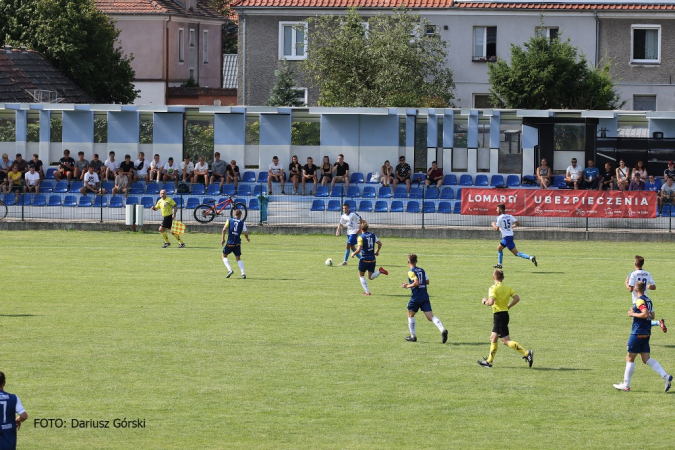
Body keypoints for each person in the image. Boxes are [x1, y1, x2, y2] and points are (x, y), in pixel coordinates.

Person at [613, 281, 672, 392]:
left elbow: (645, 314)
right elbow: (652, 315)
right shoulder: (648, 300)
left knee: (630, 358)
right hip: (646, 333)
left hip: (637, 332)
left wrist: (632, 314)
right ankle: (666, 376)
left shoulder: (639, 300)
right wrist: (636, 311)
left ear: (636, 290)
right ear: (645, 289)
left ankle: (626, 385)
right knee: (645, 359)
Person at [478, 269, 534, 368]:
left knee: (506, 341)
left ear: (493, 277)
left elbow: (490, 302)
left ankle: (527, 353)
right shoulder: (508, 288)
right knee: (493, 337)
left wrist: (484, 302)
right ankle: (489, 362)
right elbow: (517, 298)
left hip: (498, 316)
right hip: (504, 315)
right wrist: (509, 306)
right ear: (503, 278)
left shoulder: (493, 288)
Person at [401, 253, 448, 343]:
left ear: (408, 261)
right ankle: (442, 329)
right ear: (416, 261)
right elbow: (427, 281)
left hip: (416, 296)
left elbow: (416, 283)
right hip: (425, 296)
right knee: (430, 317)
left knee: (410, 314)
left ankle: (413, 336)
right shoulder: (422, 270)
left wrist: (407, 286)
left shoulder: (411, 271)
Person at [626, 255, 666, 333]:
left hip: (637, 300)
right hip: (646, 299)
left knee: (635, 319)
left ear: (635, 264)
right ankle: (658, 323)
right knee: (651, 316)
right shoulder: (647, 273)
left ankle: (633, 339)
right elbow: (654, 287)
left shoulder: (633, 274)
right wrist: (647, 286)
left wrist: (626, 283)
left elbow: (630, 289)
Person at [492, 204, 537, 269]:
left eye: (497, 209)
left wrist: (493, 224)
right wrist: (511, 227)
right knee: (499, 248)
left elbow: (496, 229)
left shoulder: (499, 218)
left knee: (516, 253)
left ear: (501, 210)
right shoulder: (510, 216)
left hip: (506, 238)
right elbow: (517, 223)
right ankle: (499, 264)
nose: (496, 210)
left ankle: (531, 257)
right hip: (509, 236)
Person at [350, 222, 388, 295]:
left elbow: (358, 250)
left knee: (361, 275)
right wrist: (376, 251)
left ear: (361, 229)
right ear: (367, 228)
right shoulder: (373, 235)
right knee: (370, 277)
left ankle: (367, 292)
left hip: (364, 259)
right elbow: (380, 243)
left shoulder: (361, 237)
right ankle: (380, 271)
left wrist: (353, 253)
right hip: (372, 259)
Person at [0, 371, 28, 450]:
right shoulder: (13, 398)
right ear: (4, 383)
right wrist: (18, 419)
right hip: (8, 442)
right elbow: (24, 416)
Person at [220, 208, 250, 279]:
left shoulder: (229, 220)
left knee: (224, 256)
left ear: (234, 214)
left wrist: (223, 239)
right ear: (240, 215)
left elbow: (224, 229)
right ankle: (243, 273)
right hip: (237, 243)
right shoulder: (242, 222)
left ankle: (230, 270)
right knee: (238, 258)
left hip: (230, 243)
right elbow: (245, 232)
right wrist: (247, 239)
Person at [336, 202, 362, 266]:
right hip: (349, 233)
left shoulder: (353, 214)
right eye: (343, 208)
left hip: (354, 232)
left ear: (348, 208)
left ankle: (345, 261)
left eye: (346, 208)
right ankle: (362, 259)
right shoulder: (343, 216)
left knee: (348, 245)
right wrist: (337, 231)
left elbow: (361, 220)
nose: (344, 209)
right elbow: (340, 224)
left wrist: (359, 228)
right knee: (352, 248)